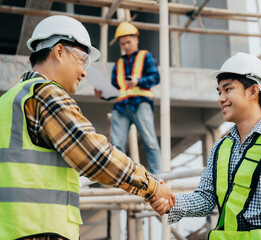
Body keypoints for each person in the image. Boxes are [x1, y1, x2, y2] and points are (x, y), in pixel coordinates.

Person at [0, 15, 174, 240]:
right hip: (40, 230)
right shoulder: (45, 93)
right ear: (59, 51)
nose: (84, 72)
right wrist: (151, 186)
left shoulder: (8, 100)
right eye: (82, 60)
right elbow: (94, 154)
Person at [151, 52, 261, 239]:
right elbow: (205, 199)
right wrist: (170, 202)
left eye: (227, 90)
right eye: (219, 92)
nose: (220, 98)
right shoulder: (220, 148)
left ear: (253, 91)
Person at [94, 22, 161, 175]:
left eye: (128, 42)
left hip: (140, 103)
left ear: (136, 39)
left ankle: (158, 175)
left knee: (150, 141)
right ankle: (120, 175)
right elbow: (115, 90)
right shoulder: (119, 63)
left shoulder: (146, 56)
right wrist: (102, 94)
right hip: (121, 106)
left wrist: (138, 82)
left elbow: (155, 78)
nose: (125, 46)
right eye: (122, 43)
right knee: (116, 145)